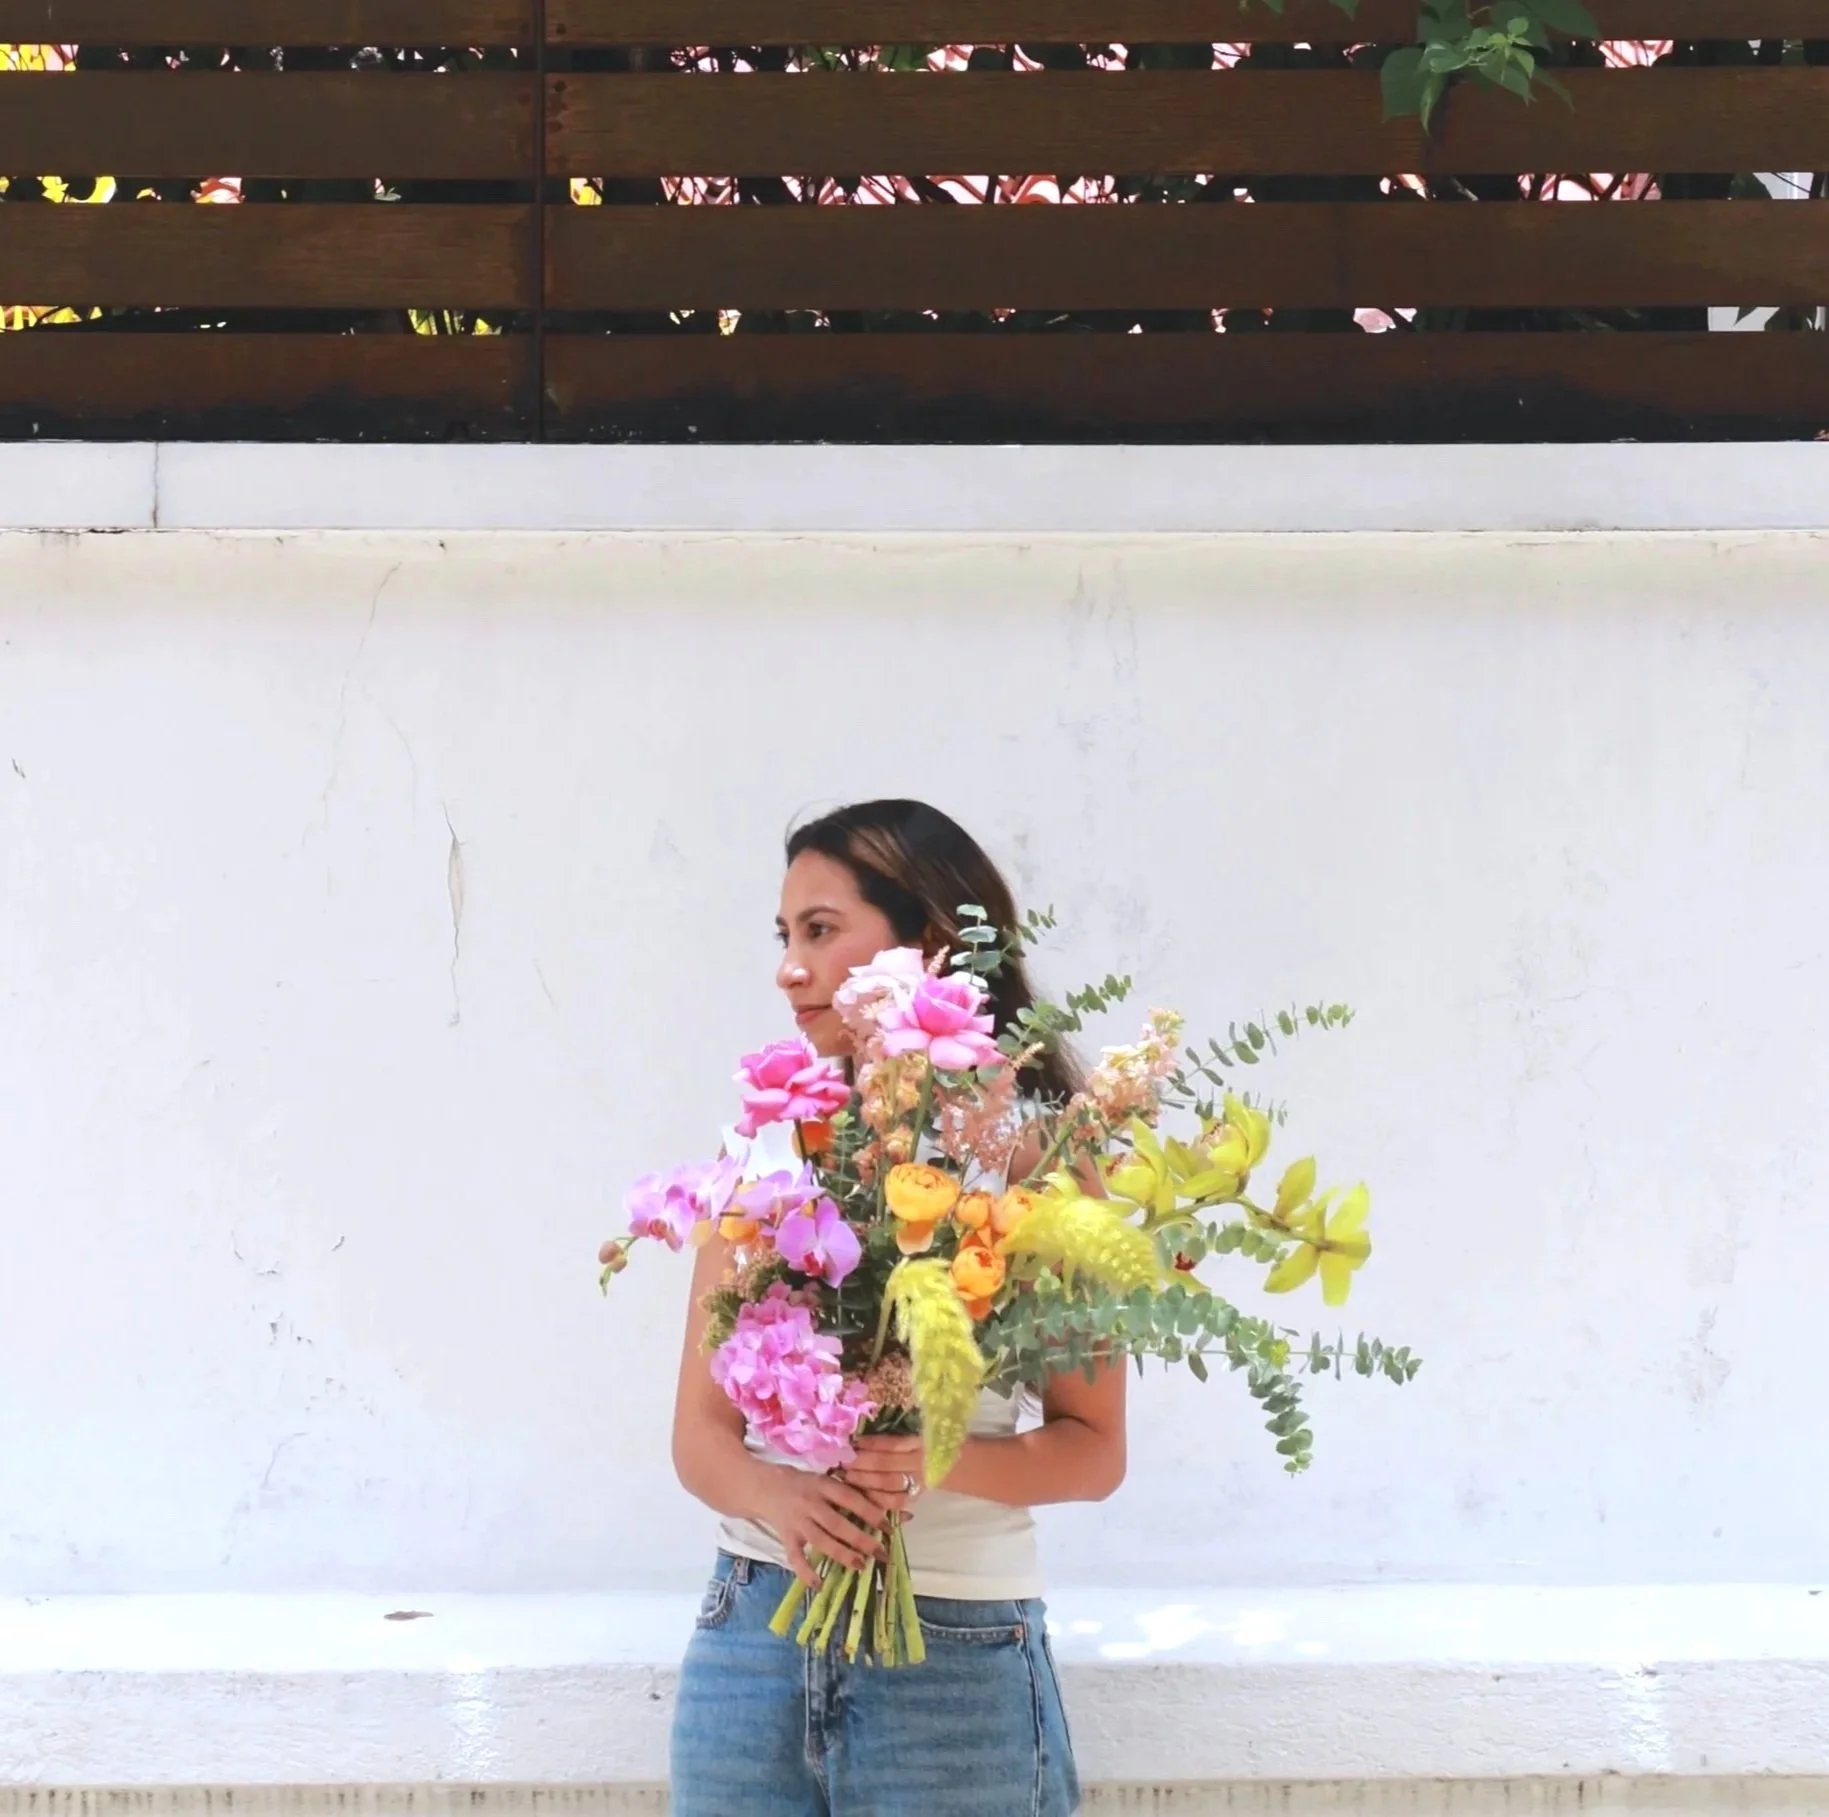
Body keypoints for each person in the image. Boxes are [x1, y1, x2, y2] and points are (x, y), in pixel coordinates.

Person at [667, 799, 1125, 1816]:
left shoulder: (1035, 1162)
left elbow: (1093, 1448)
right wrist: (781, 1499)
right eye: (784, 936)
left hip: (956, 1654)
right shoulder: (764, 1151)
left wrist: (931, 1453)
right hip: (753, 1639)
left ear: (922, 940)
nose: (791, 965)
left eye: (820, 929)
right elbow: (699, 1436)